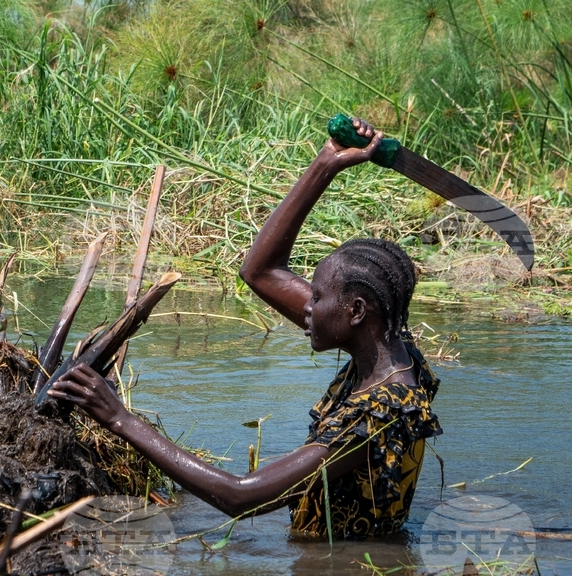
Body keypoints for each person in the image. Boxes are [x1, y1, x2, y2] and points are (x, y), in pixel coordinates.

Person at [48, 118, 442, 539]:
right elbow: (261, 271)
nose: (307, 306)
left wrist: (120, 418)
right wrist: (327, 161)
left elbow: (240, 497)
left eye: (318, 297)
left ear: (356, 311)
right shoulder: (390, 352)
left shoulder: (377, 414)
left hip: (351, 563)